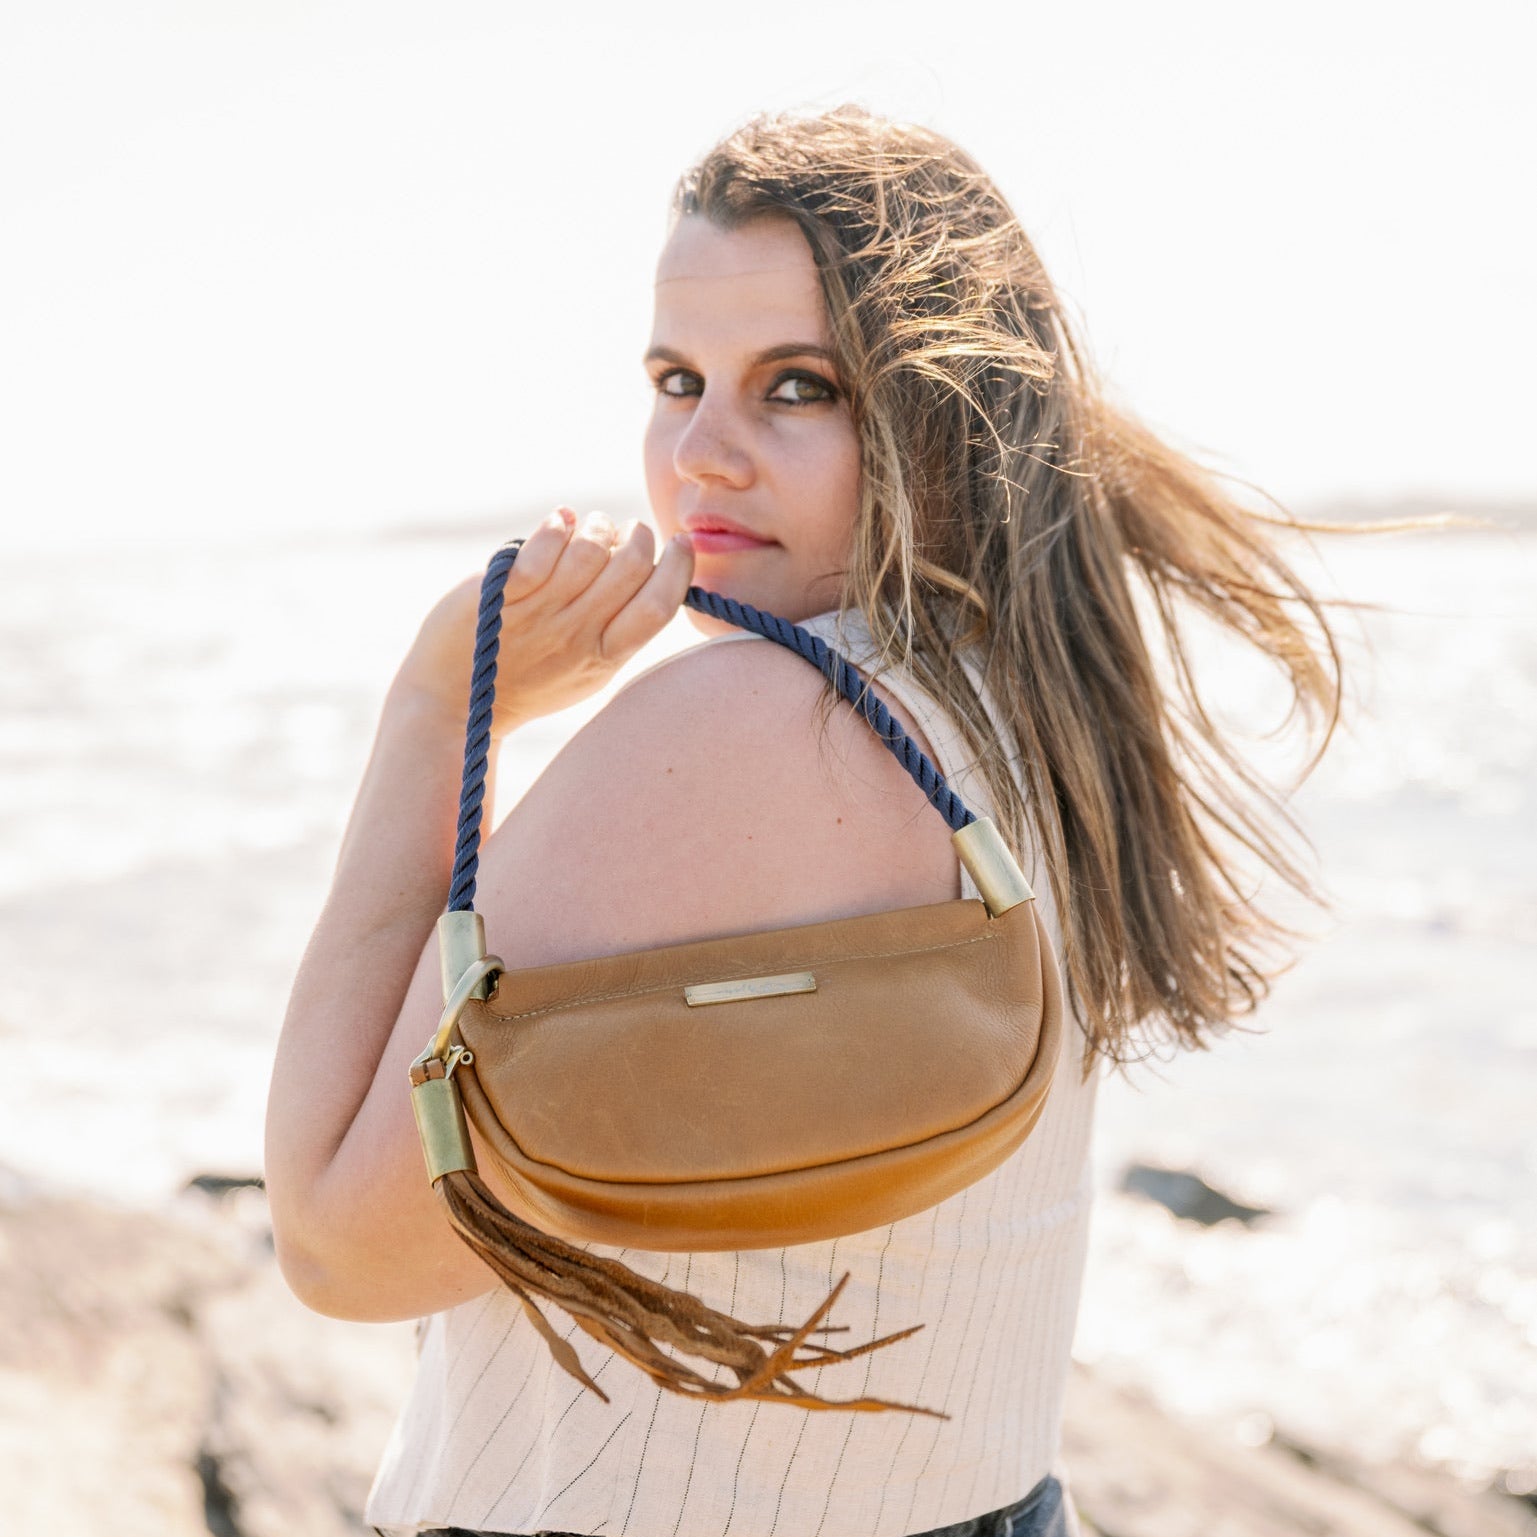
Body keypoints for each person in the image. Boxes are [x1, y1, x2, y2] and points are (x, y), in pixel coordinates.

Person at [264, 105, 1347, 1537]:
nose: (700, 454)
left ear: (948, 414)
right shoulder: (1046, 720)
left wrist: (432, 711)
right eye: (674, 378)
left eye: (796, 387)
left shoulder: (736, 729)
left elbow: (342, 1245)